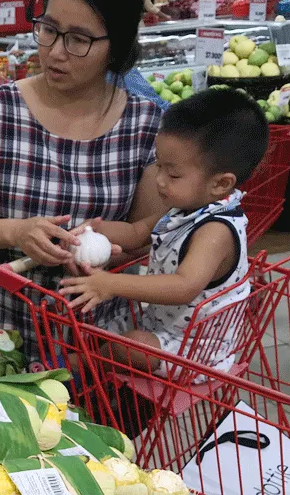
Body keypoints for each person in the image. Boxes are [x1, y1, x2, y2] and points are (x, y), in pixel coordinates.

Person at [0, 0, 163, 360]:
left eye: (78, 39)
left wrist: (104, 253)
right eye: (48, 29)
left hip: (93, 338)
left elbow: (146, 233)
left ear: (117, 44)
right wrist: (16, 233)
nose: (56, 51)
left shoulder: (145, 125)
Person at [57, 89, 268, 377]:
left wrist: (111, 283)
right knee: (101, 327)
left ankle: (78, 367)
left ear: (220, 184)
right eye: (159, 166)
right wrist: (97, 229)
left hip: (195, 349)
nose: (159, 181)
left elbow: (184, 286)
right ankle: (90, 367)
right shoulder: (185, 207)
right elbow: (137, 231)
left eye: (173, 174)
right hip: (162, 324)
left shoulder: (215, 230)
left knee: (130, 347)